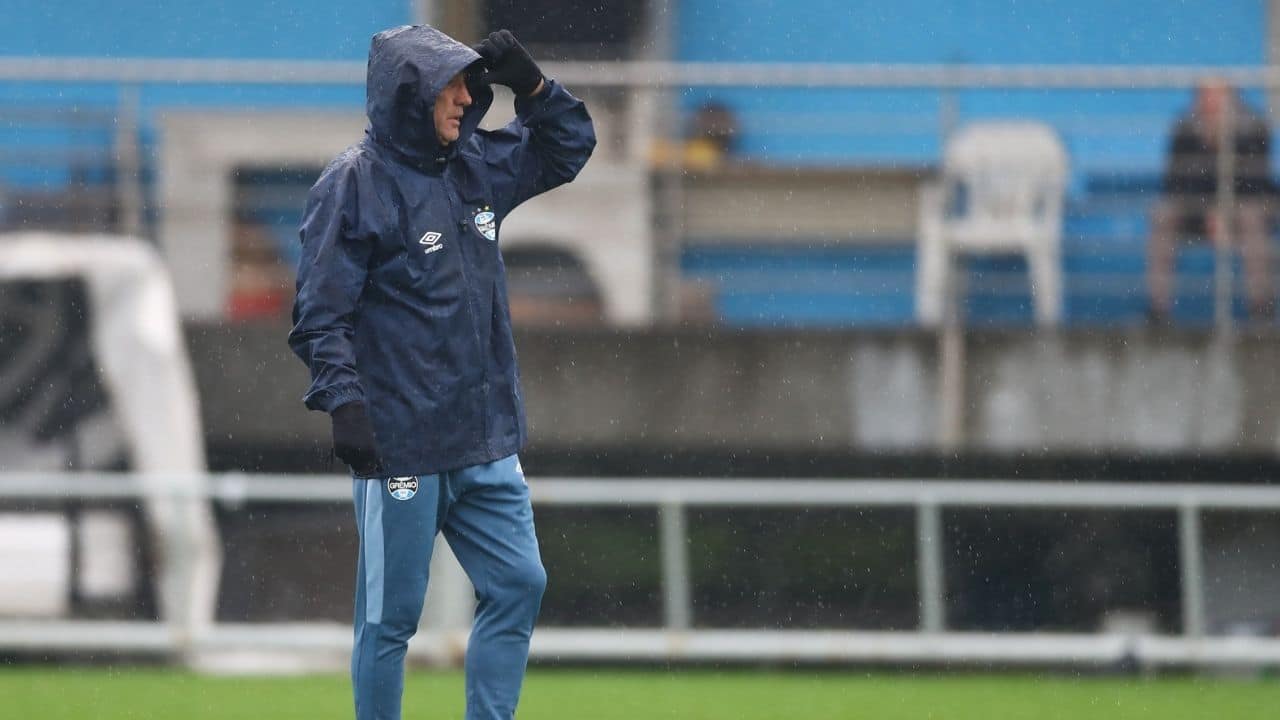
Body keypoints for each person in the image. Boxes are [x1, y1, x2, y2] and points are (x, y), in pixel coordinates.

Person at [288, 25, 594, 720]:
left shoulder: (476, 164)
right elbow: (318, 314)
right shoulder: (352, 184)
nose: (466, 97)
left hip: (487, 440)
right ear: (410, 92)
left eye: (470, 83)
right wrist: (346, 404)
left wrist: (536, 87)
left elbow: (568, 146)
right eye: (452, 85)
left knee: (519, 584)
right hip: (402, 446)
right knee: (390, 620)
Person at [1148, 79, 1275, 322]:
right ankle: (1158, 311)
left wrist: (1223, 213)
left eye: (1216, 95)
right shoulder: (1185, 127)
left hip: (1242, 207)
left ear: (1233, 98)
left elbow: (1256, 181)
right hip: (1197, 209)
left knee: (1252, 217)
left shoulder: (1254, 127)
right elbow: (1176, 179)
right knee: (1162, 214)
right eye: (1204, 95)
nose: (1209, 101)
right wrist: (1206, 212)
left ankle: (1261, 310)